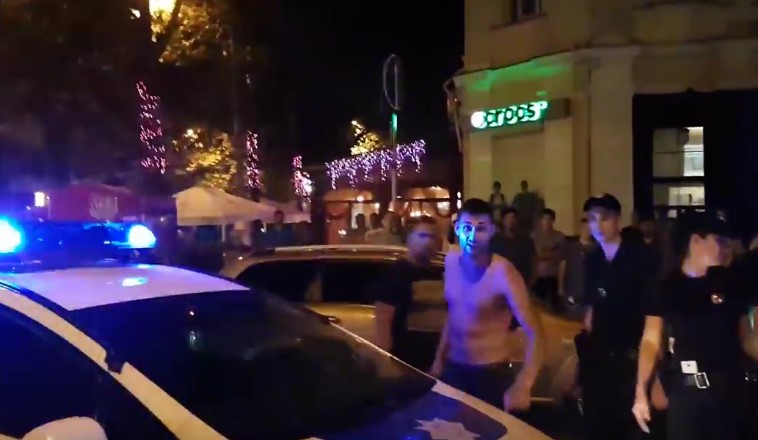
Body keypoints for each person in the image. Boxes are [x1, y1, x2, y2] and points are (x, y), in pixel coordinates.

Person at [633, 212, 758, 440]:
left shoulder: (730, 284)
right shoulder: (667, 287)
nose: (725, 248)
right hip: (686, 393)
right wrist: (641, 391)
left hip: (728, 391)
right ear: (696, 241)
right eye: (718, 240)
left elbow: (746, 337)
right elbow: (650, 340)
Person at [430, 198, 544, 413]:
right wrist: (439, 359)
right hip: (454, 369)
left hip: (490, 374)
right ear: (457, 228)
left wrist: (524, 384)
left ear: (492, 230)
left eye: (481, 229)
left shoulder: (503, 272)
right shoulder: (451, 261)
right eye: (467, 228)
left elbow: (536, 332)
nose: (472, 236)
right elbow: (455, 313)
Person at [580, 193, 659, 440]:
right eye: (592, 219)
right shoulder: (592, 260)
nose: (598, 225)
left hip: (633, 354)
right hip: (601, 357)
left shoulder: (640, 256)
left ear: (617, 219)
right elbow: (592, 307)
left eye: (604, 218)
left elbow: (654, 314)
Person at [373, 216, 439, 364]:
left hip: (434, 364)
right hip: (405, 361)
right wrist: (386, 361)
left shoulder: (439, 273)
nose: (428, 242)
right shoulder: (395, 273)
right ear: (409, 239)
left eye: (432, 237)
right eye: (422, 236)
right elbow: (383, 320)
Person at [490, 207, 536, 286]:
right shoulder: (495, 240)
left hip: (522, 282)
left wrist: (533, 279)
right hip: (500, 283)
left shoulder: (526, 240)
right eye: (508, 218)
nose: (511, 221)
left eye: (513, 218)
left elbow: (533, 260)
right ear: (503, 221)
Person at [532, 208, 565, 307]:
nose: (547, 221)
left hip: (555, 277)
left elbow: (561, 256)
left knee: (555, 307)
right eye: (544, 218)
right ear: (540, 220)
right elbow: (536, 256)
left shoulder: (559, 236)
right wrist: (552, 251)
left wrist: (544, 251)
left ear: (553, 221)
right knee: (539, 306)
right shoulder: (534, 236)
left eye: (549, 219)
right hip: (538, 277)